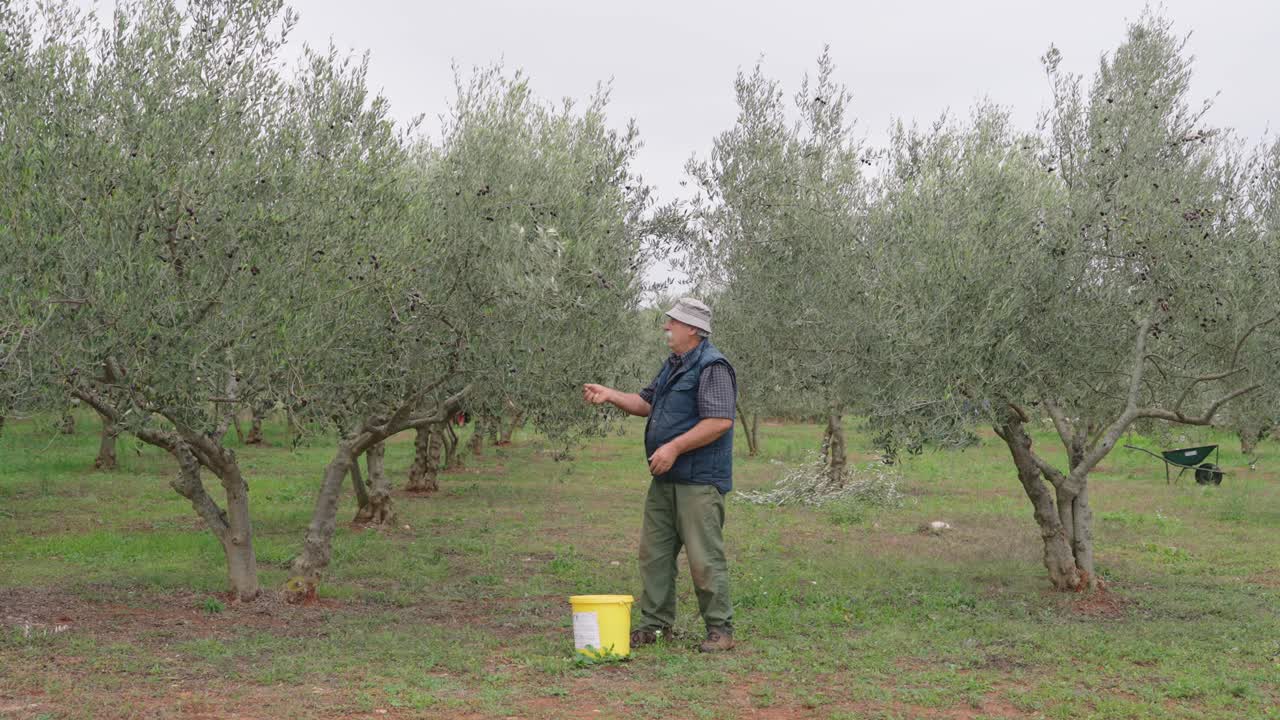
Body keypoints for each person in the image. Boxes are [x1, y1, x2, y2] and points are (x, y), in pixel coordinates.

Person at [582, 297, 738, 652]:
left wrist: (673, 448)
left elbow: (719, 422)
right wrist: (610, 395)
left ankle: (720, 630)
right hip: (665, 479)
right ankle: (655, 626)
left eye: (674, 323)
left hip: (699, 481)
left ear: (694, 330)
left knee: (704, 556)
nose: (667, 328)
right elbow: (646, 403)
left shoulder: (713, 367)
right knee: (654, 554)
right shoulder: (674, 365)